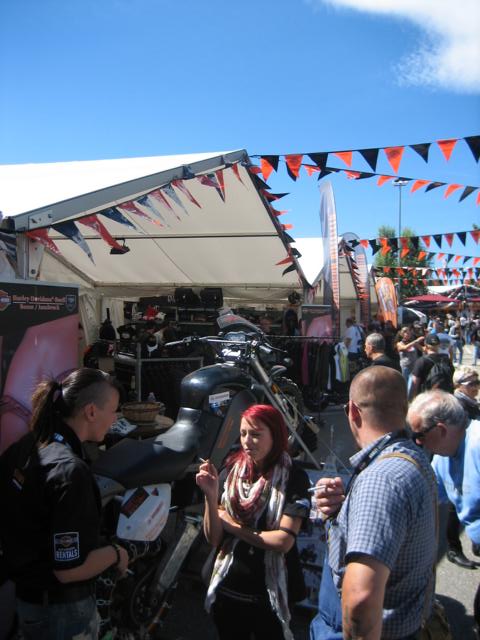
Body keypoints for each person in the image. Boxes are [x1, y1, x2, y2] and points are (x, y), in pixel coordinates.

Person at [0, 368, 129, 640]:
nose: (115, 418)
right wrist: (117, 553)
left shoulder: (28, 444)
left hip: (28, 603)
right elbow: (68, 570)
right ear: (91, 412)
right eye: (113, 410)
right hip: (61, 613)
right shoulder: (71, 472)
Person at [310, 367, 436, 640]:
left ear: (353, 412)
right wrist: (343, 510)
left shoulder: (380, 480)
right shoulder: (413, 457)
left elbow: (360, 598)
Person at [196, 404, 310, 640]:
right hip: (229, 587)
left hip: (270, 594)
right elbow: (214, 538)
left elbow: (283, 541)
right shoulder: (232, 469)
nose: (247, 441)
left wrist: (233, 526)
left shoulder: (293, 477)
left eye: (256, 434)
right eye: (243, 433)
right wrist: (210, 494)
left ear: (276, 436)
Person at [408, 390, 480, 631]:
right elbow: (426, 499)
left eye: (419, 435)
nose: (417, 442)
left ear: (440, 430)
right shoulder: (442, 459)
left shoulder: (477, 444)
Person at [409, 333, 454, 399]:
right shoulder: (446, 359)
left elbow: (414, 383)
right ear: (439, 345)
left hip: (427, 398)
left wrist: (412, 400)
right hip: (445, 397)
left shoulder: (422, 361)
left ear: (425, 345)